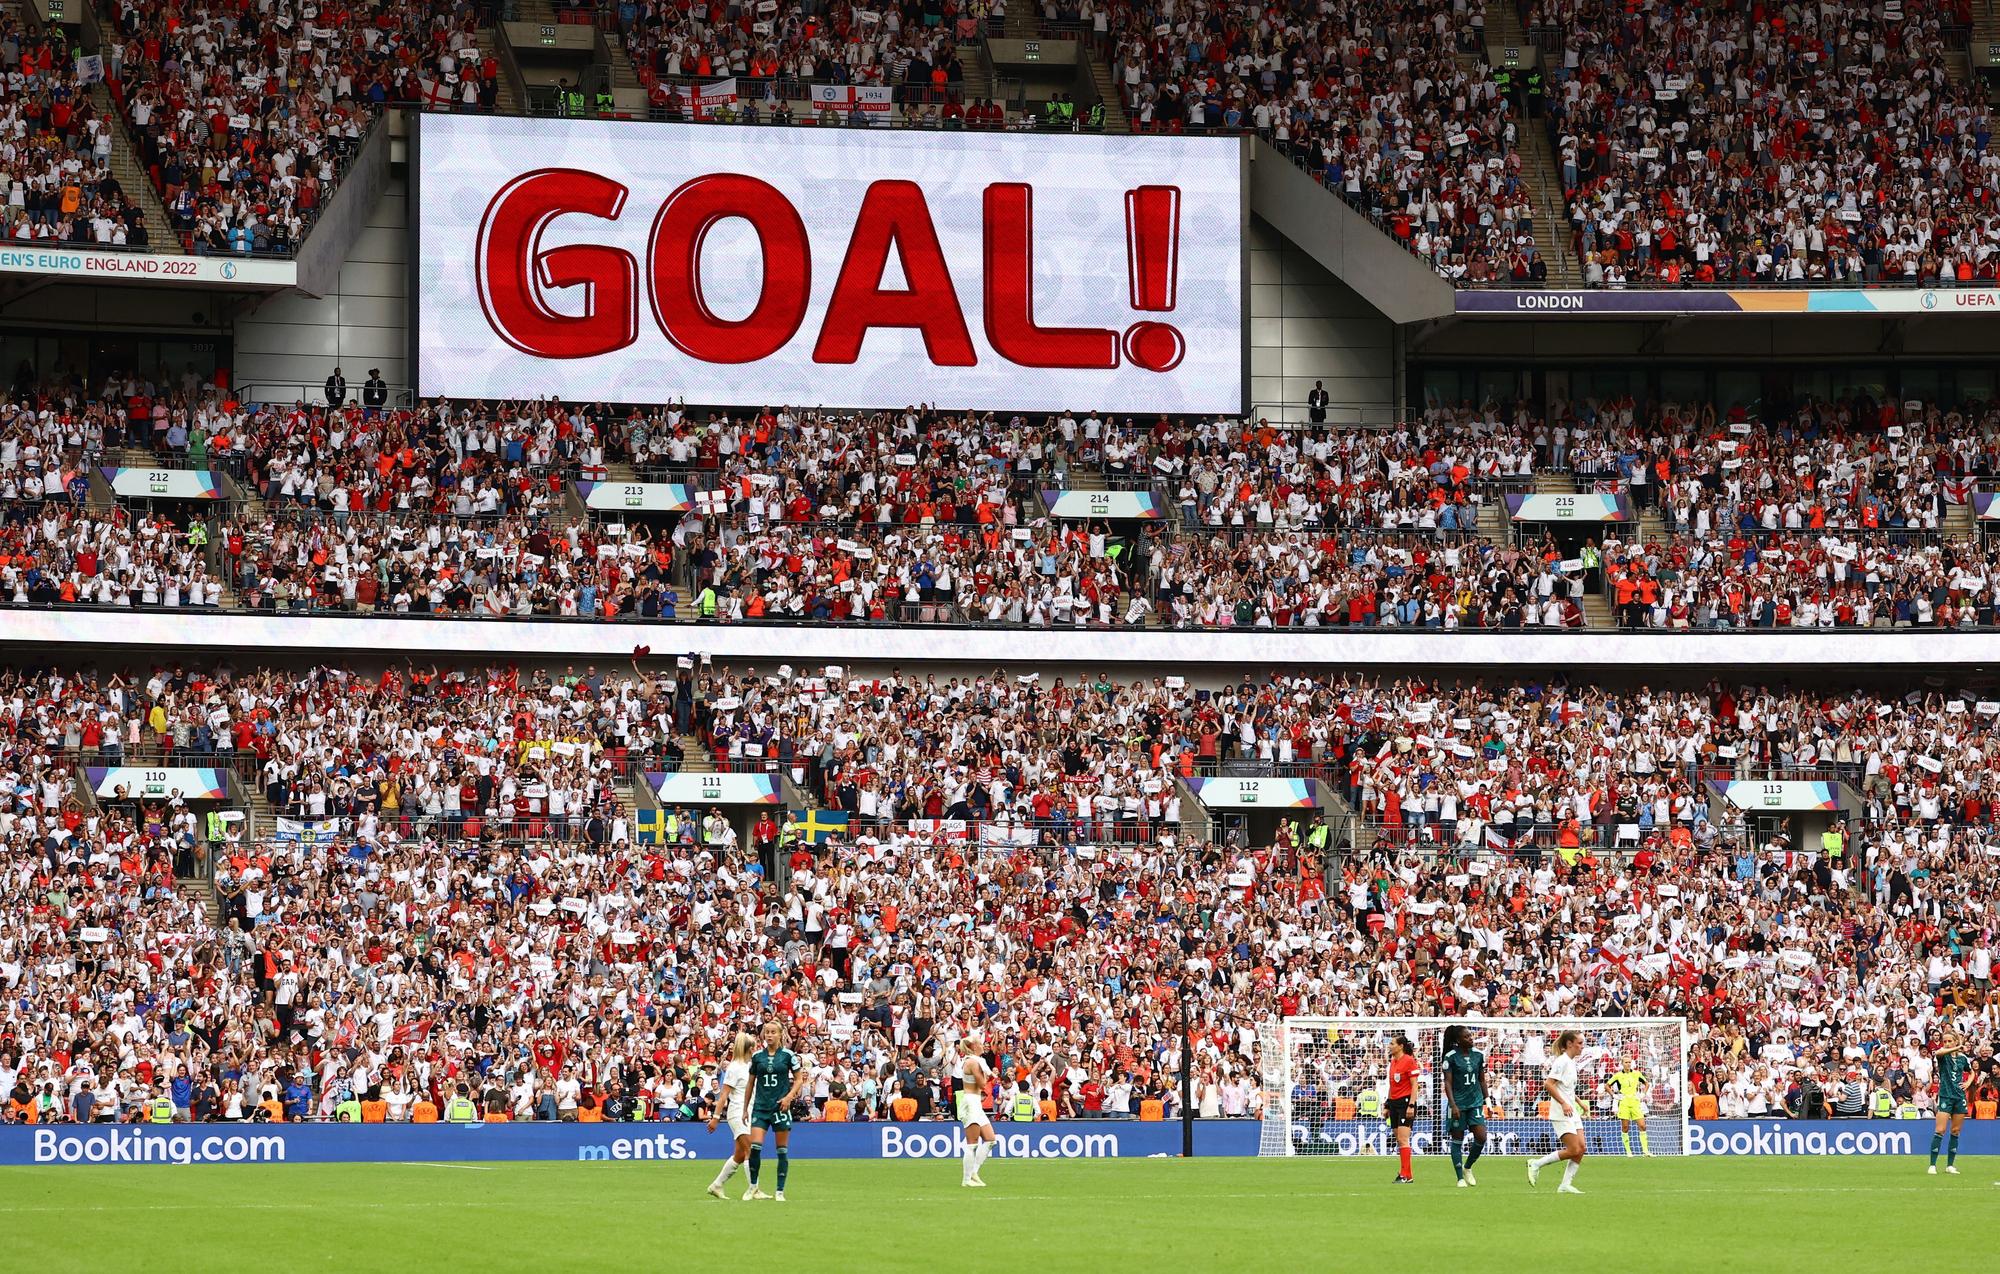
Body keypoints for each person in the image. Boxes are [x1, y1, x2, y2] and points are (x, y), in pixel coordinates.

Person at [745, 1020, 805, 1200]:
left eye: (773, 1032)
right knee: (755, 1147)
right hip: (760, 1107)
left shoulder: (788, 1055)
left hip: (780, 1107)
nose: (769, 1035)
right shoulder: (757, 1057)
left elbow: (799, 1079)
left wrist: (788, 1097)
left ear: (780, 1035)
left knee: (781, 1150)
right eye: (767, 1032)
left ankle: (780, 1191)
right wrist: (745, 1108)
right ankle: (753, 1187)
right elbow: (750, 1083)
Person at [1527, 1030, 1587, 1194]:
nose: (1582, 1046)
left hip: (1571, 1110)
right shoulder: (1561, 1061)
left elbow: (1566, 1088)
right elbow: (1549, 1084)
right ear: (1570, 1044)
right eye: (1580, 1043)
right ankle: (1536, 1164)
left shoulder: (1571, 1062)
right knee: (1574, 1149)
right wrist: (1563, 1103)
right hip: (1561, 1111)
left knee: (1581, 1148)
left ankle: (1565, 1184)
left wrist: (1579, 1102)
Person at [706, 1032, 757, 1199]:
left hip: (748, 1112)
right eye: (753, 1046)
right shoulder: (734, 1068)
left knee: (740, 1155)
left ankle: (717, 1185)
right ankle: (753, 1188)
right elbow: (723, 1095)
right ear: (749, 1049)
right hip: (737, 1113)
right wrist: (715, 1117)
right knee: (751, 1150)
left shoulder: (749, 1066)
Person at [1441, 1024, 1488, 1187]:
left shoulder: (1478, 1055)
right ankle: (1460, 1177)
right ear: (1458, 1040)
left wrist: (1487, 1099)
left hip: (1475, 1102)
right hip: (1458, 1104)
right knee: (1457, 1139)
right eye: (1467, 1037)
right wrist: (1453, 1105)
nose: (1471, 1038)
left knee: (1481, 1137)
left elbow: (1481, 1079)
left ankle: (1468, 1167)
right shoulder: (1451, 1057)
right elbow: (1447, 1083)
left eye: (1471, 1036)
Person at [1930, 1031, 1970, 1176]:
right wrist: (1958, 1046)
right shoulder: (1943, 1056)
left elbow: (1971, 1072)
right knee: (1940, 1130)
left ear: (1954, 1041)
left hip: (1959, 1097)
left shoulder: (1963, 1058)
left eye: (1949, 1041)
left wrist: (1968, 1082)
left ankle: (1950, 1165)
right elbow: (1938, 1053)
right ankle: (1932, 1165)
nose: (1946, 1043)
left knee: (1955, 1131)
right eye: (1944, 1041)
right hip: (1946, 1096)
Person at [957, 1047, 996, 1187]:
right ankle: (966, 1180)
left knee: (990, 1140)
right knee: (972, 1144)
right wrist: (989, 1075)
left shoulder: (978, 1061)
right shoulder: (972, 1062)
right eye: (979, 1043)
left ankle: (973, 1173)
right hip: (970, 1102)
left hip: (976, 1102)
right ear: (973, 1047)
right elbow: (983, 1084)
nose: (983, 1045)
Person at [1386, 1034, 1417, 1183]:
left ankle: (1404, 1175)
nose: (1389, 1046)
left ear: (1400, 1046)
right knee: (1399, 1139)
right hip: (1394, 1103)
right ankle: (1408, 1175)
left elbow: (1414, 1085)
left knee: (1404, 1139)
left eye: (1392, 1043)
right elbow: (1392, 1085)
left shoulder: (1409, 1061)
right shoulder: (1393, 1061)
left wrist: (1411, 1105)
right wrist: (1387, 1104)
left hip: (1405, 1103)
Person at [1607, 1056, 1651, 1155]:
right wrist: (1614, 1095)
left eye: (1629, 1062)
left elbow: (1647, 1084)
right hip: (1624, 1103)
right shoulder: (1618, 1075)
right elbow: (1607, 1085)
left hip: (1635, 1102)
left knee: (1642, 1126)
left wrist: (1643, 1094)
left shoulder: (1636, 1073)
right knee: (1626, 1127)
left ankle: (1645, 1151)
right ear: (1622, 1063)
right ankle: (1628, 1151)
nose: (1628, 1064)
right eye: (1626, 1062)